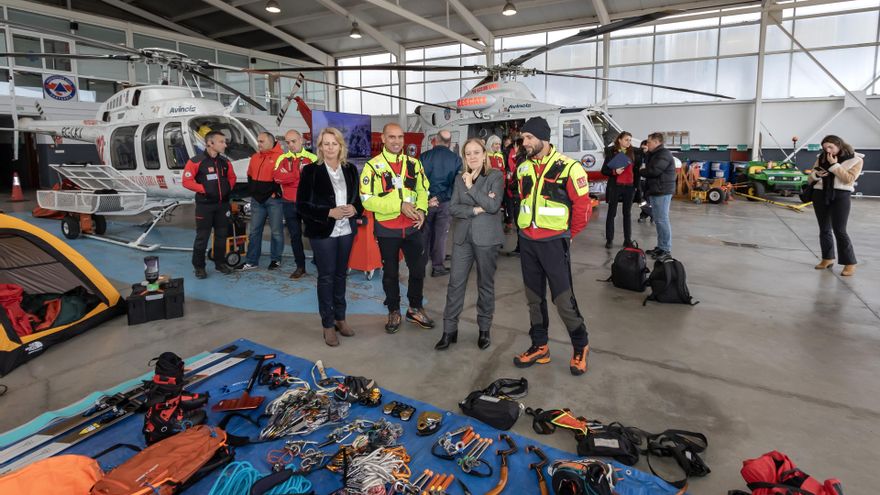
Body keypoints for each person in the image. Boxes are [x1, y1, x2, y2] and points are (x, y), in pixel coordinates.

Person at [512, 117, 592, 376]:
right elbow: (521, 200)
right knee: (533, 298)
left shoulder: (570, 168)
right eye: (523, 138)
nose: (524, 143)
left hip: (554, 244)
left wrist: (569, 235)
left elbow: (582, 208)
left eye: (529, 138)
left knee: (563, 300)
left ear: (543, 139)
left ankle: (581, 346)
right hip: (527, 242)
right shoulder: (523, 168)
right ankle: (540, 345)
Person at [360, 123, 435, 333]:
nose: (396, 141)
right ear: (383, 139)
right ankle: (393, 310)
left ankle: (415, 308)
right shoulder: (372, 167)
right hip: (387, 230)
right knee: (391, 273)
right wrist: (399, 206)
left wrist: (421, 210)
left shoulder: (414, 164)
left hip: (412, 228)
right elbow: (367, 200)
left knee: (419, 270)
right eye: (391, 137)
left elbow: (423, 189)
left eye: (400, 137)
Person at [435, 138, 505, 351]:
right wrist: (475, 209)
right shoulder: (458, 178)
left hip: (487, 239)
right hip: (462, 238)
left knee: (485, 284)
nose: (473, 157)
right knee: (455, 284)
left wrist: (471, 188)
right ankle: (449, 331)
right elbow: (453, 208)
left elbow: (493, 205)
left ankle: (484, 330)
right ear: (464, 157)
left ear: (484, 154)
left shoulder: (495, 176)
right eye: (468, 153)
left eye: (476, 152)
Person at [297, 128, 364, 346]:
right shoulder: (310, 171)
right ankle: (328, 324)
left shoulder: (351, 169)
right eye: (325, 144)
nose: (330, 148)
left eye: (334, 144)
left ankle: (340, 319)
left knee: (340, 275)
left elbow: (359, 201)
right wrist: (328, 212)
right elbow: (302, 206)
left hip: (346, 231)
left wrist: (355, 209)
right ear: (320, 147)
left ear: (341, 146)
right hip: (322, 231)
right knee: (326, 277)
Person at [182, 131, 237, 279]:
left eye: (225, 142)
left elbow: (232, 177)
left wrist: (227, 189)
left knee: (221, 236)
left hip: (222, 206)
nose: (225, 144)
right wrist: (203, 189)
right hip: (204, 207)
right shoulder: (195, 161)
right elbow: (186, 181)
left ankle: (220, 263)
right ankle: (199, 267)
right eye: (221, 142)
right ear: (210, 143)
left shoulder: (225, 162)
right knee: (202, 237)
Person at [809, 135, 862, 276]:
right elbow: (810, 177)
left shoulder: (855, 159)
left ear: (839, 145)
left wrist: (834, 166)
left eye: (831, 147)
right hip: (820, 194)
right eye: (825, 147)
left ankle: (850, 263)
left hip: (841, 195)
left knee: (840, 230)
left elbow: (849, 179)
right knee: (824, 229)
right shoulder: (821, 157)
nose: (828, 150)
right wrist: (816, 175)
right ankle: (827, 258)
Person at [238, 132, 284, 271]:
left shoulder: (280, 157)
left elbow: (284, 178)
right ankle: (252, 261)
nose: (259, 144)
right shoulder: (255, 157)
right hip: (257, 201)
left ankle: (276, 259)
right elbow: (249, 175)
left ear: (271, 142)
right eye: (258, 141)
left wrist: (277, 192)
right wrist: (253, 192)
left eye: (262, 141)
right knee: (254, 232)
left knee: (276, 232)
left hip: (273, 200)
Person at [420, 130, 460, 277]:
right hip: (445, 203)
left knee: (424, 233)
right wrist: (441, 198)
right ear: (449, 143)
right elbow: (456, 184)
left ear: (435, 140)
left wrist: (429, 198)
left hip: (426, 203)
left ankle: (420, 265)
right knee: (441, 235)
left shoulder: (424, 157)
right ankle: (437, 266)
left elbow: (418, 182)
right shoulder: (456, 159)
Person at [275, 130, 313, 279]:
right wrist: (297, 175)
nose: (290, 145)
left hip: (307, 203)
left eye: (293, 141)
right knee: (295, 236)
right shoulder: (282, 159)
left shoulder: (313, 158)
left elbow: (313, 181)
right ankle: (300, 266)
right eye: (287, 142)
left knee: (314, 234)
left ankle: (321, 262)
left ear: (301, 140)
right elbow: (277, 178)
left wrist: (289, 177)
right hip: (289, 203)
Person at [641, 132, 676, 259]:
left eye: (649, 142)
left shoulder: (663, 154)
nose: (647, 144)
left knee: (662, 220)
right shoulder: (656, 154)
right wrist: (646, 153)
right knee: (658, 220)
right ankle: (661, 246)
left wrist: (639, 171)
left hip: (662, 191)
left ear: (657, 142)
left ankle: (665, 249)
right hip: (657, 190)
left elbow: (653, 170)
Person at [601, 131, 637, 249]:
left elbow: (636, 170)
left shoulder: (633, 152)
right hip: (616, 186)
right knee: (612, 213)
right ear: (620, 140)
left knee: (627, 214)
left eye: (630, 140)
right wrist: (614, 172)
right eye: (626, 140)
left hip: (629, 187)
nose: (629, 142)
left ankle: (627, 240)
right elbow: (604, 170)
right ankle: (609, 239)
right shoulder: (611, 152)